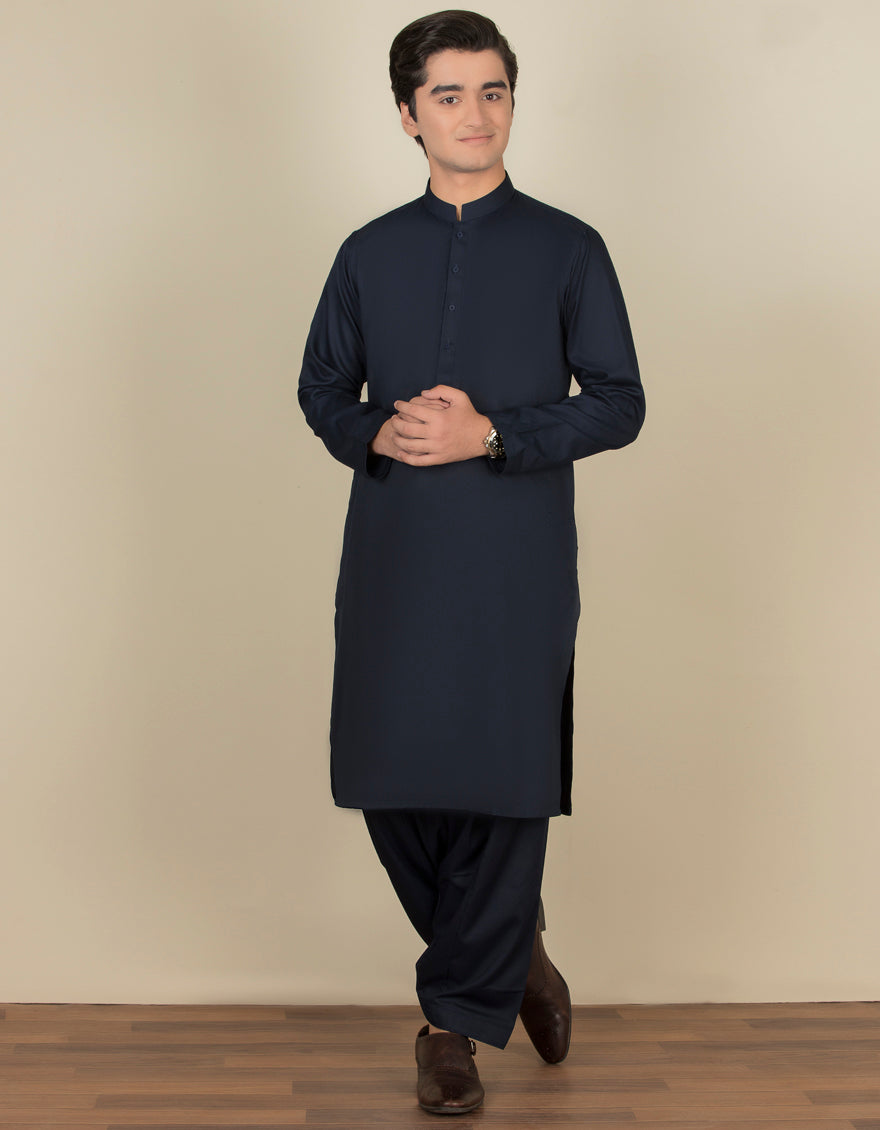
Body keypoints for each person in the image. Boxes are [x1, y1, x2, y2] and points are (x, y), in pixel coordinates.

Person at [298, 9, 644, 1115]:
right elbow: (320, 389)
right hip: (395, 555)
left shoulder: (568, 248)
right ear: (409, 115)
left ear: (511, 102)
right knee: (389, 779)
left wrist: (493, 434)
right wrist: (378, 433)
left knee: (502, 782)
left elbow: (620, 402)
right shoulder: (367, 253)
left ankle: (450, 1026)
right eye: (448, 95)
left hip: (515, 561)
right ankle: (512, 953)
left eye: (492, 90)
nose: (474, 113)